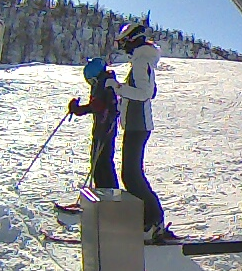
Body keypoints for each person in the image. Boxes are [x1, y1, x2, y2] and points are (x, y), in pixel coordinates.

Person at [105, 22, 174, 241]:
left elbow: (144, 93)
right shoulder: (142, 60)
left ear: (132, 40)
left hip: (138, 125)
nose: (122, 47)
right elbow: (149, 91)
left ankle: (154, 222)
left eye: (123, 42)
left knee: (131, 175)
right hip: (136, 124)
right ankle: (150, 221)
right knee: (131, 174)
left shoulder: (141, 61)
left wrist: (117, 87)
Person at [67, 57, 119, 190]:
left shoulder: (107, 85)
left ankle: (111, 194)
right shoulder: (101, 84)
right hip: (100, 128)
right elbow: (95, 107)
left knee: (103, 163)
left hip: (106, 129)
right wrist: (79, 109)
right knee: (97, 163)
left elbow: (112, 107)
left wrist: (101, 108)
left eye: (91, 81)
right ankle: (102, 192)